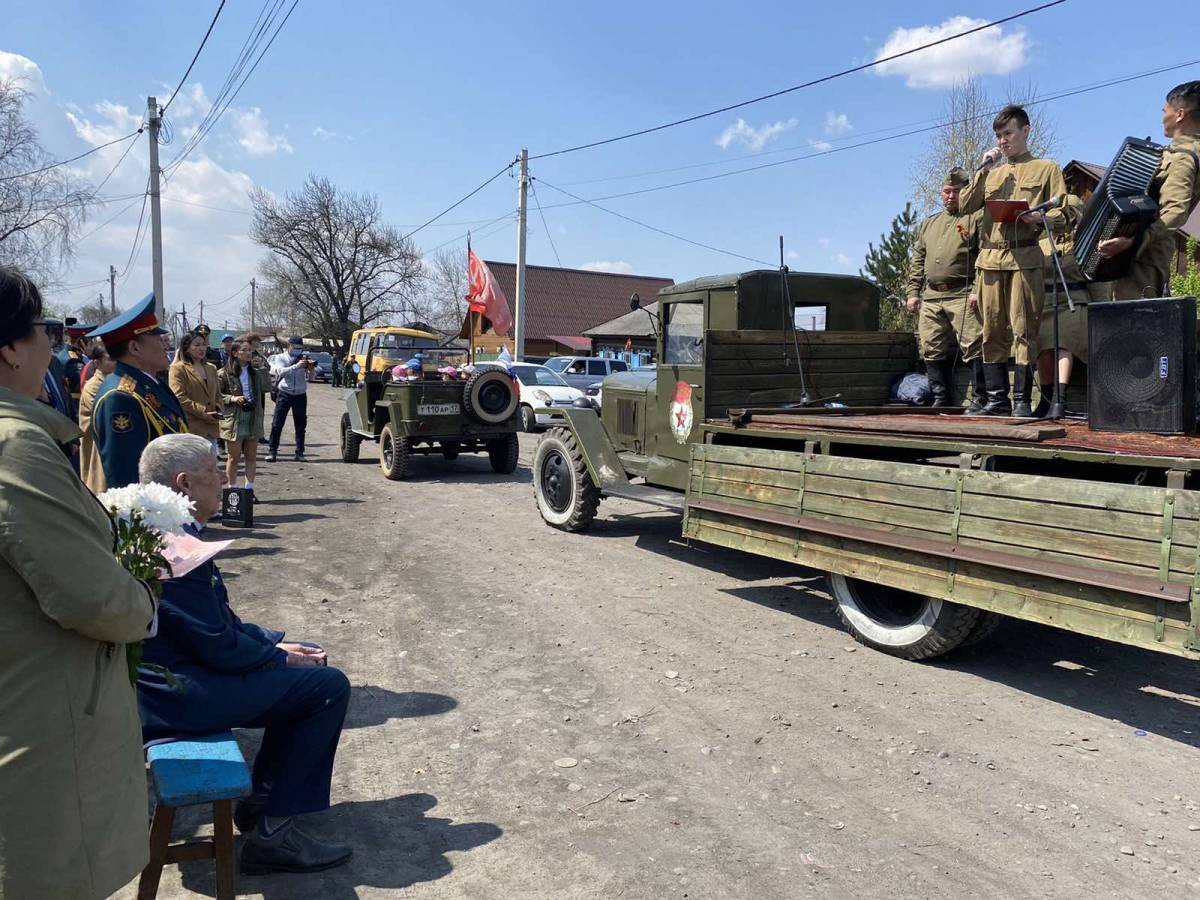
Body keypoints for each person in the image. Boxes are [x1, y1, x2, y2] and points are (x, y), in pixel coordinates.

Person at [0, 266, 158, 899]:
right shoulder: (16, 449)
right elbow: (91, 596)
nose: (55, 344)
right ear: (10, 348)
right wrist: (145, 602)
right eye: (44, 329)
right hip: (38, 721)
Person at [136, 433, 353, 875]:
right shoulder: (174, 546)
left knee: (304, 667)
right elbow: (218, 644)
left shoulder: (159, 528)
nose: (223, 477)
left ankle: (262, 807)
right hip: (178, 695)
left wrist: (272, 645)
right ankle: (272, 836)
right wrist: (276, 658)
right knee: (326, 688)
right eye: (214, 470)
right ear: (184, 485)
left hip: (177, 679)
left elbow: (217, 623)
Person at [959, 104, 1068, 417]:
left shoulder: (1046, 168)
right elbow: (966, 205)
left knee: (1023, 329)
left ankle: (1021, 399)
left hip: (1025, 255)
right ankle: (997, 400)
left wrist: (1038, 218)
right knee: (991, 330)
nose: (1003, 141)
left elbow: (1063, 212)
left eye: (1008, 133)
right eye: (998, 135)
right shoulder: (992, 172)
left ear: (1025, 131)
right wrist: (982, 169)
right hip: (990, 258)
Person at [1097, 80, 1200, 300]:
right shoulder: (1179, 151)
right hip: (1143, 257)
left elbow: (1175, 212)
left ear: (1180, 114)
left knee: (1132, 328)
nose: (1162, 117)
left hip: (1144, 259)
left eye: (1165, 111)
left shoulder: (1183, 157)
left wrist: (1134, 241)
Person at [88, 292, 189, 488]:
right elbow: (126, 480)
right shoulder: (120, 397)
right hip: (155, 511)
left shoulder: (150, 382)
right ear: (134, 348)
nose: (165, 344)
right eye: (158, 338)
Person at [905, 166, 984, 409]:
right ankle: (941, 398)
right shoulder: (930, 223)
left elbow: (983, 256)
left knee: (973, 344)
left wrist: (976, 289)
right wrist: (913, 292)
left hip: (962, 292)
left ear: (966, 192)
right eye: (947, 191)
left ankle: (981, 399)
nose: (951, 196)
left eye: (957, 191)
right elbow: (918, 259)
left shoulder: (975, 218)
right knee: (930, 346)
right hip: (931, 296)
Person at [219, 339, 269, 493]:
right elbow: (216, 396)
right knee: (233, 458)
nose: (249, 353)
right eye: (244, 350)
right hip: (234, 419)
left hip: (252, 418)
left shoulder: (256, 372)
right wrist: (233, 399)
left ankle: (249, 490)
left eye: (250, 350)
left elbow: (267, 387)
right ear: (235, 353)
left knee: (251, 456)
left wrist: (262, 368)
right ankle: (232, 489)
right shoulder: (224, 373)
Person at [169, 332, 221, 452]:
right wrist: (203, 411)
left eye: (203, 344)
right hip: (191, 429)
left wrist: (217, 409)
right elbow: (179, 397)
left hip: (211, 428)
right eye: (197, 345)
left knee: (210, 467)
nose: (202, 348)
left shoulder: (211, 368)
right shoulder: (178, 368)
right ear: (186, 348)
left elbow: (218, 394)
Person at [78, 344, 117, 493]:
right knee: (99, 484)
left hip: (106, 442)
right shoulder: (93, 386)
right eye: (110, 359)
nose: (115, 362)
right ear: (96, 363)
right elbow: (106, 412)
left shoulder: (112, 381)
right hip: (96, 444)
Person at [267, 336, 313, 462]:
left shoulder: (304, 359)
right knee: (277, 423)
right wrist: (297, 366)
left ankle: (300, 452)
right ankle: (272, 451)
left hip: (300, 394)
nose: (298, 350)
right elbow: (280, 372)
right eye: (295, 347)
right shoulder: (281, 357)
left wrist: (310, 369)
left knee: (300, 425)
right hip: (284, 393)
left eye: (300, 348)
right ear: (289, 345)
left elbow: (312, 378)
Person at [59, 318, 93, 418]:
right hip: (77, 409)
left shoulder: (77, 355)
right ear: (81, 341)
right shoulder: (72, 360)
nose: (90, 342)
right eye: (88, 339)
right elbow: (88, 379)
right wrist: (92, 357)